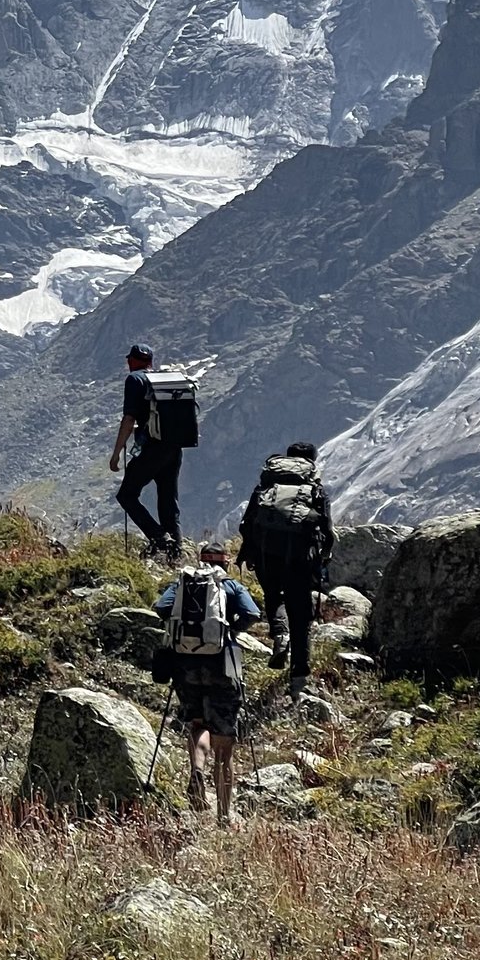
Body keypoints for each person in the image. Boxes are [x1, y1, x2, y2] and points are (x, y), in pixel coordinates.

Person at [154, 544, 263, 826]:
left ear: (200, 561)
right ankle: (224, 816)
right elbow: (253, 614)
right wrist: (230, 629)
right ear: (225, 563)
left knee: (197, 723)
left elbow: (162, 608)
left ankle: (197, 770)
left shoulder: (183, 582)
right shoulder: (231, 586)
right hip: (222, 665)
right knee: (224, 747)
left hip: (185, 665)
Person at [239, 440, 335, 687]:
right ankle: (299, 673)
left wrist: (249, 551)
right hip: (301, 554)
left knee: (274, 595)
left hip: (266, 551)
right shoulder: (313, 487)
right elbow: (326, 527)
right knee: (301, 612)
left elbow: (247, 521)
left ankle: (280, 634)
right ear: (311, 461)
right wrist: (324, 555)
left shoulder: (268, 483)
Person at [109, 343, 180, 558]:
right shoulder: (162, 379)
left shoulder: (135, 380)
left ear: (133, 360)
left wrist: (116, 453)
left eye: (129, 359)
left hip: (151, 449)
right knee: (168, 500)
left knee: (127, 495)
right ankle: (175, 554)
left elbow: (129, 419)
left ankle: (159, 538)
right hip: (174, 448)